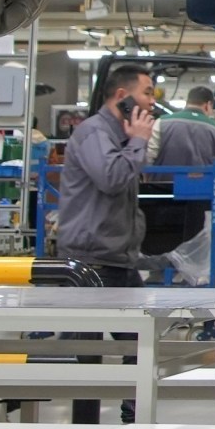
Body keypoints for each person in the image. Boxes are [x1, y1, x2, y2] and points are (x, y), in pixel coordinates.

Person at [60, 62, 155, 288]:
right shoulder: (94, 132)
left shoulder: (121, 136)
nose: (152, 102)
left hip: (119, 261)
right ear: (122, 96)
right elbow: (112, 179)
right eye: (147, 93)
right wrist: (138, 141)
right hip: (92, 265)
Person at [151, 85, 215, 168]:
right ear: (208, 105)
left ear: (187, 102)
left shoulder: (161, 122)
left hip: (163, 177)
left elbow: (149, 157)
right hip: (205, 177)